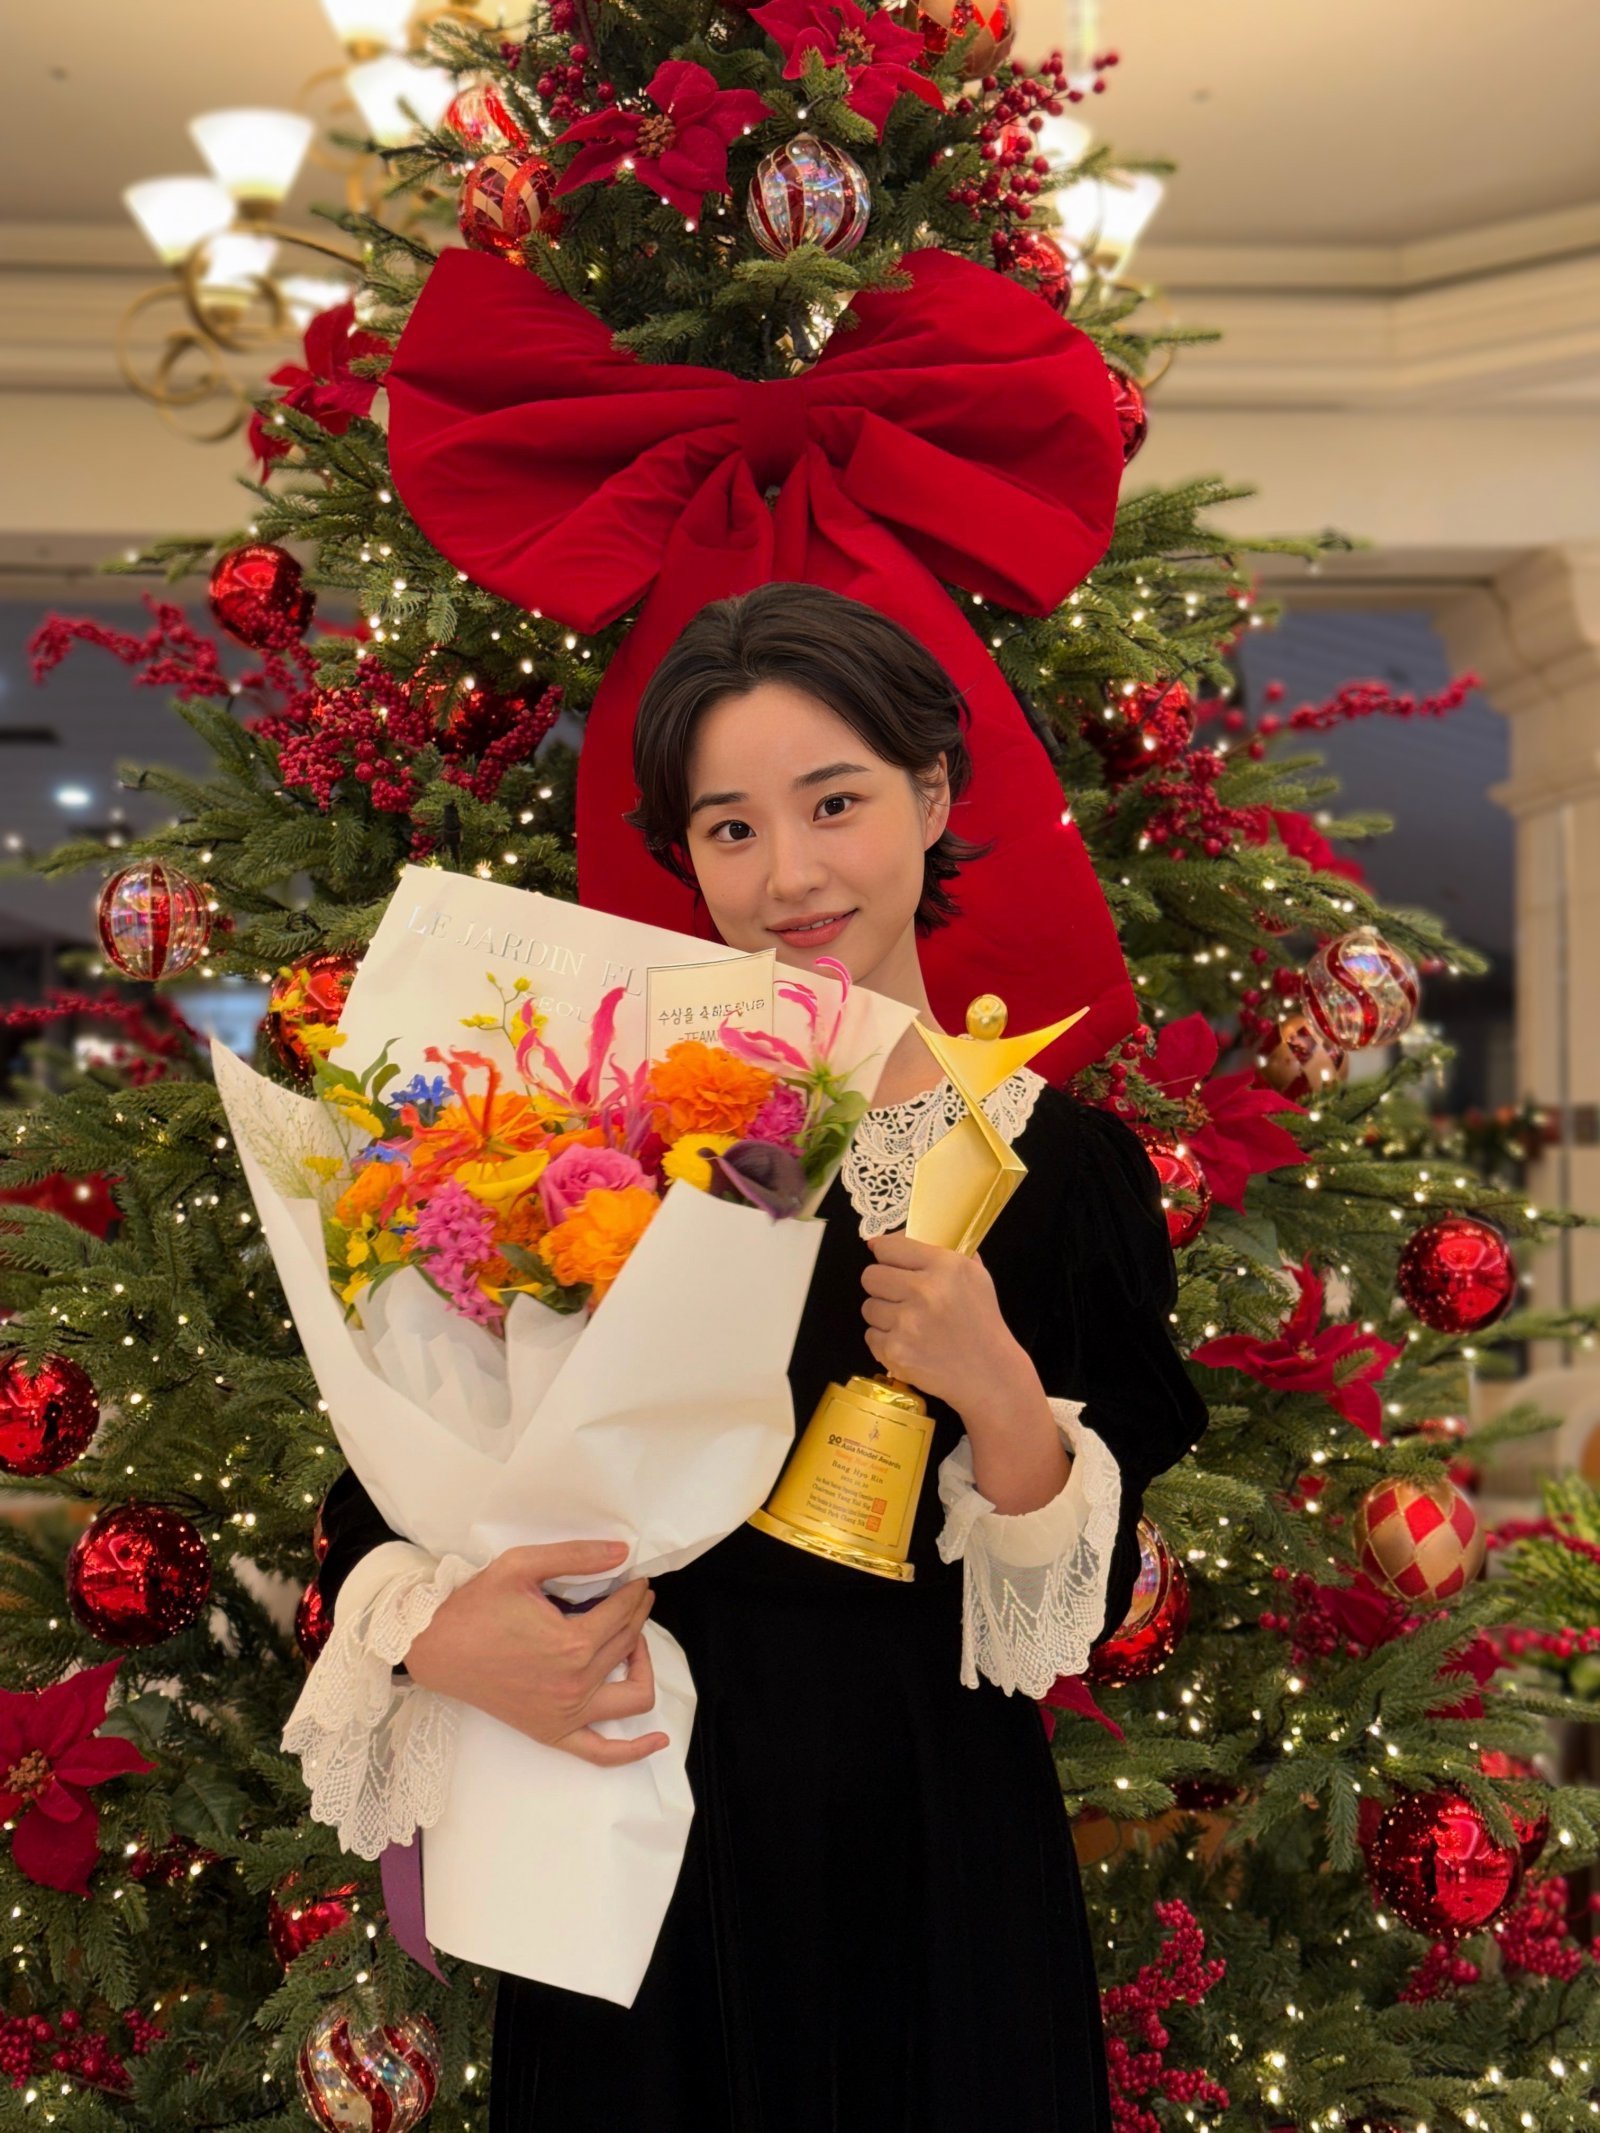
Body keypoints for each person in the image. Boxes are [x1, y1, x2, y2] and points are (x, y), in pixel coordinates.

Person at [307, 581, 1211, 2130]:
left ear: (934, 795)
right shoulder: (600, 1132)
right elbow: (391, 1478)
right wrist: (435, 1633)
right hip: (632, 1840)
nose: (789, 873)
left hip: (932, 1855)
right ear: (686, 852)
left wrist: (998, 1384)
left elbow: (1066, 1607)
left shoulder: (1058, 1166)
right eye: (731, 827)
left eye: (835, 802)